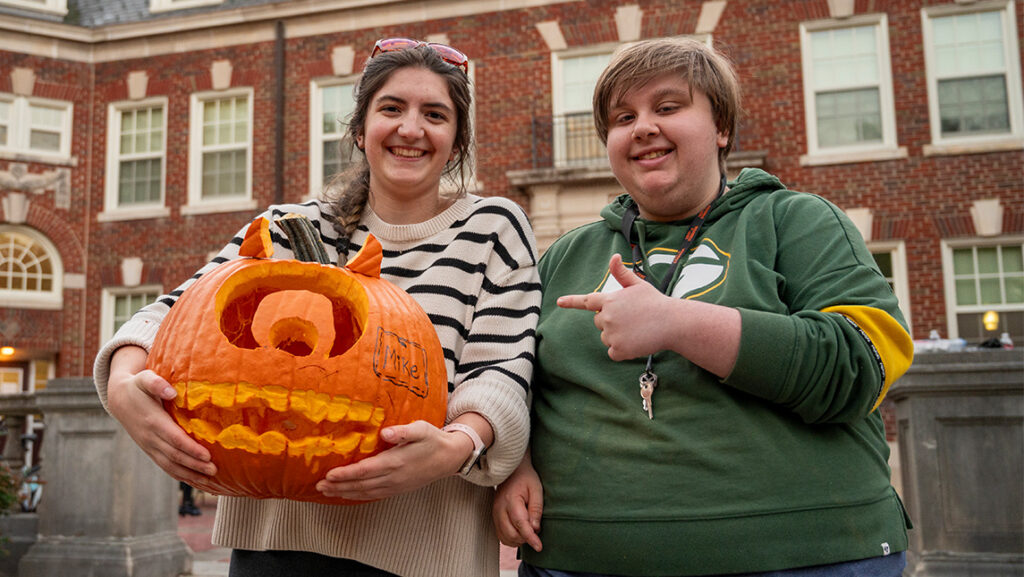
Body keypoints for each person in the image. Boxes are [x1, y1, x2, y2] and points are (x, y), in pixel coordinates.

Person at [94, 39, 541, 577]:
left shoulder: (493, 228)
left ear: (457, 140)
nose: (411, 129)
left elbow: (503, 369)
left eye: (435, 114)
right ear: (360, 128)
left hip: (422, 551)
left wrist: (455, 445)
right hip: (274, 546)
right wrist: (123, 388)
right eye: (392, 109)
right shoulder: (290, 229)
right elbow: (171, 315)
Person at [494, 37, 915, 577]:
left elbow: (861, 366)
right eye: (623, 117)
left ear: (721, 129)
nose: (643, 126)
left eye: (668, 107)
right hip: (577, 561)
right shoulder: (569, 254)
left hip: (809, 558)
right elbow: (517, 382)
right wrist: (515, 464)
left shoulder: (797, 221)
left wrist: (676, 322)